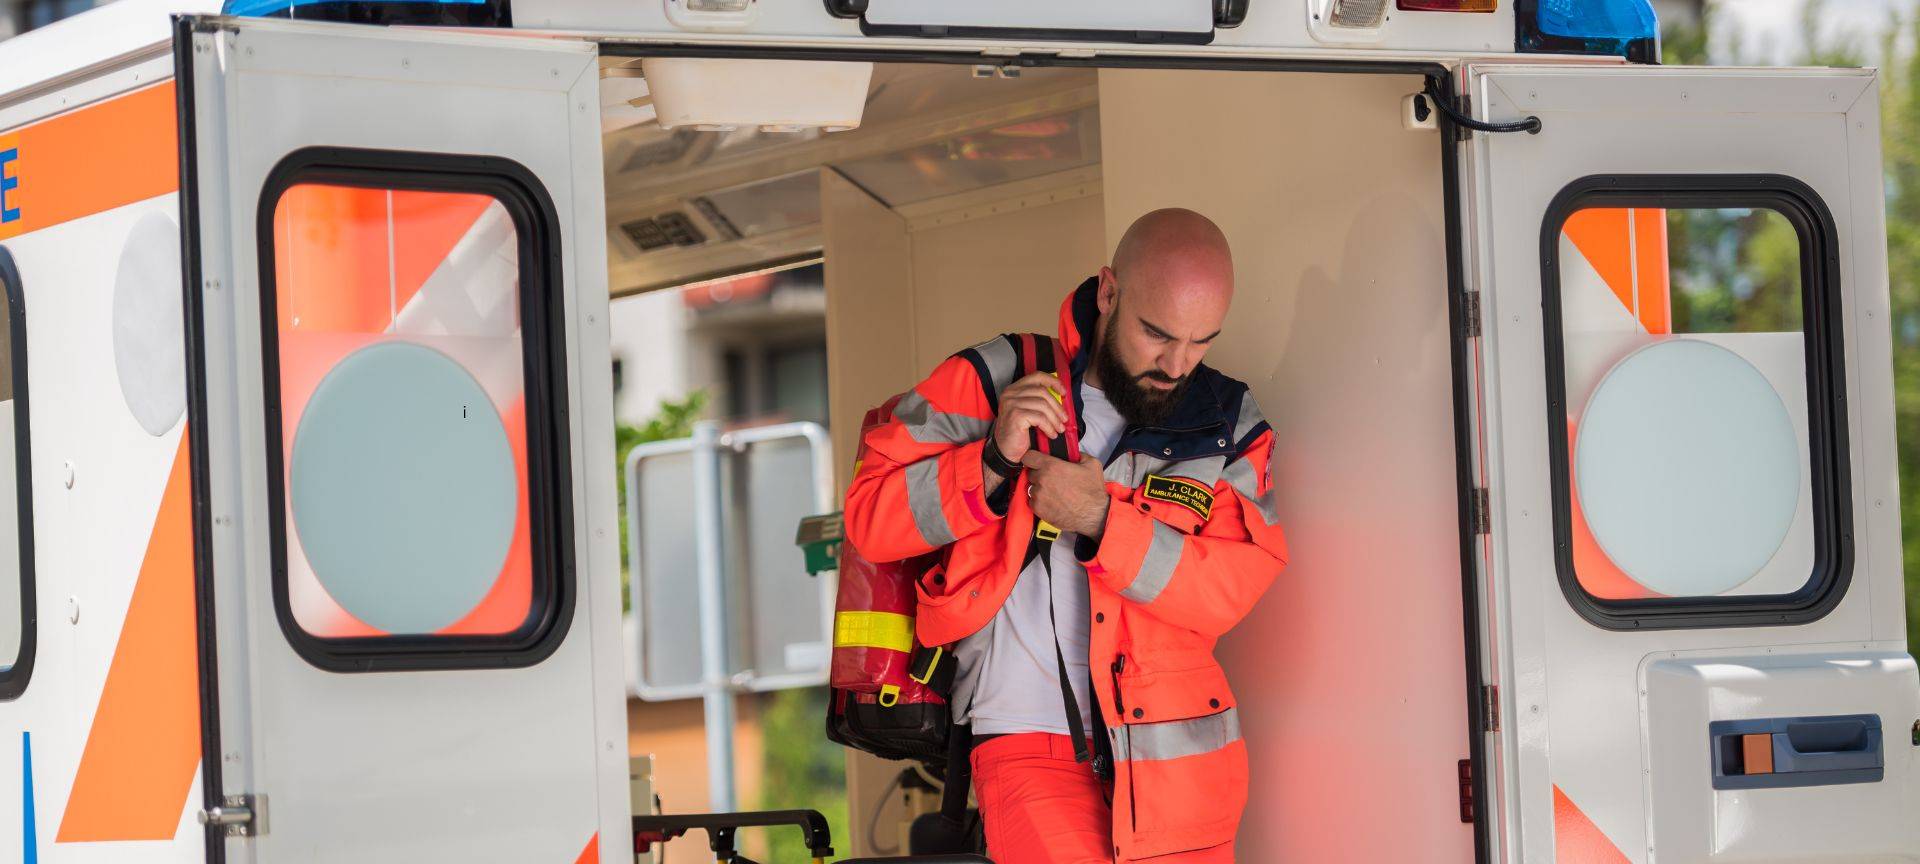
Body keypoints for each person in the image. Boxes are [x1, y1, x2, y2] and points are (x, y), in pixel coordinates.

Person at [844, 208, 1287, 863]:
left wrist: (1104, 522)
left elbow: (1228, 589)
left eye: (1200, 343)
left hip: (1176, 760)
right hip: (1026, 737)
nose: (1176, 364)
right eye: (1156, 334)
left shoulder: (1229, 425)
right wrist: (991, 458)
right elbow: (870, 519)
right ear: (1108, 291)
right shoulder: (994, 378)